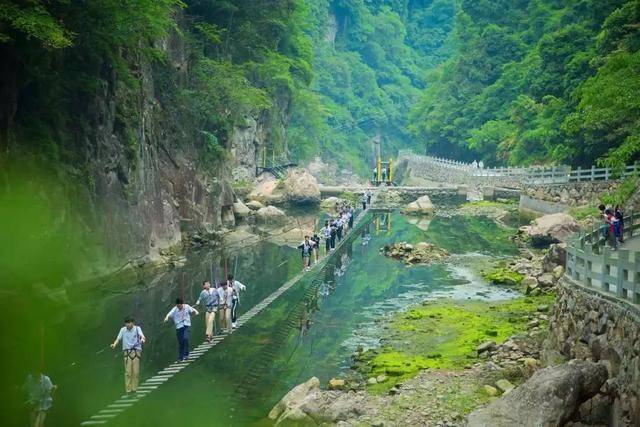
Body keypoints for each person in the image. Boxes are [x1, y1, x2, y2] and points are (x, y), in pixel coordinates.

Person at [111, 316, 146, 394]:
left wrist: (142, 339)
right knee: (128, 372)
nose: (127, 325)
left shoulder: (137, 328)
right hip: (127, 352)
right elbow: (118, 339)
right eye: (126, 323)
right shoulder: (123, 330)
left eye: (129, 323)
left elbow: (142, 336)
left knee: (136, 372)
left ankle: (134, 389)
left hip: (136, 351)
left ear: (132, 323)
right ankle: (128, 390)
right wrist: (114, 344)